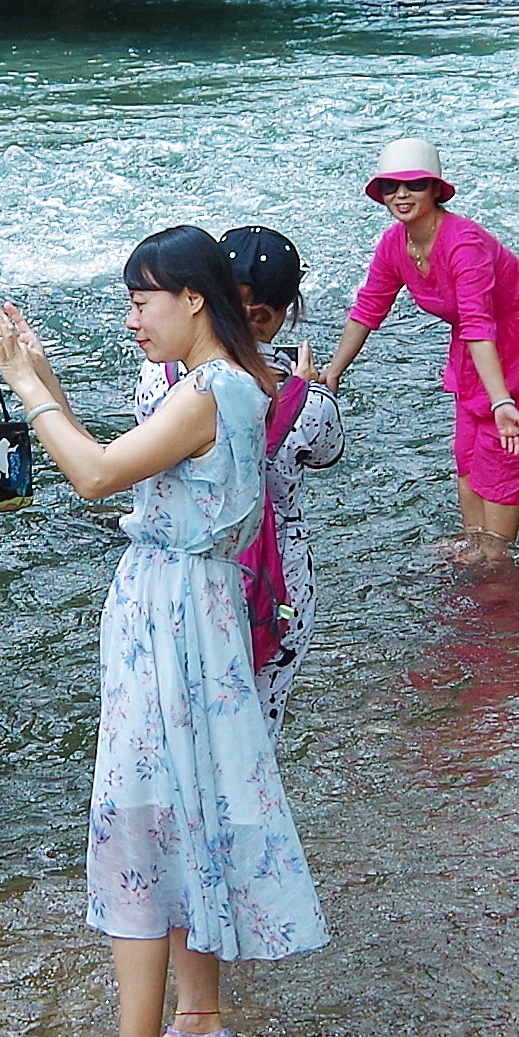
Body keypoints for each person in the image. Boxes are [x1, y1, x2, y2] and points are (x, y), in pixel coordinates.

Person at [0, 231, 328, 1037]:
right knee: (190, 805)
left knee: (138, 816)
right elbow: (118, 457)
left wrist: (26, 390)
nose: (132, 319)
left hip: (173, 616)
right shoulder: (230, 386)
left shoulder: (209, 391)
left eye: (143, 302)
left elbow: (95, 475)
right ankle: (200, 1015)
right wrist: (43, 376)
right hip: (193, 615)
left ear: (193, 302)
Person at [313, 139, 519, 556]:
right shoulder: (396, 244)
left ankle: (499, 564)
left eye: (414, 185)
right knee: (469, 451)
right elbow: (367, 309)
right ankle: (477, 545)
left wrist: (502, 399)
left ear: (435, 189)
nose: (401, 195)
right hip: (477, 343)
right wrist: (334, 372)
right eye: (390, 186)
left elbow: (478, 321)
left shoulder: (464, 244)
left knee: (503, 450)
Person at [219, 226, 344, 725]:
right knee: (259, 724)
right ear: (288, 306)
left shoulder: (161, 379)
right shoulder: (308, 404)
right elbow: (324, 453)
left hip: (193, 575)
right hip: (278, 579)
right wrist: (314, 389)